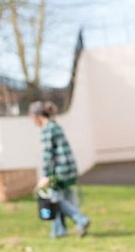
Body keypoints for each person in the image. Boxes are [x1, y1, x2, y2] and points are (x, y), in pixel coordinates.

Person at [29, 101, 90, 239]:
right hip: (69, 169)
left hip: (59, 171)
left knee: (54, 200)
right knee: (60, 198)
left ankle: (80, 220)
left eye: (31, 118)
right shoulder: (55, 126)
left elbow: (47, 155)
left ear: (37, 116)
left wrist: (45, 176)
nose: (32, 121)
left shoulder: (47, 129)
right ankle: (59, 231)